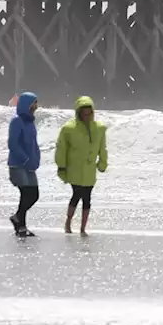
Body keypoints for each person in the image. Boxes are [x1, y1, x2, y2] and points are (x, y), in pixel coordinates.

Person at [56, 96, 108, 237]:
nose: (88, 116)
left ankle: (83, 228)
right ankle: (68, 222)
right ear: (79, 113)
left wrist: (102, 163)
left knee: (87, 198)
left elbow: (102, 148)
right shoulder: (69, 128)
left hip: (90, 170)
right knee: (76, 195)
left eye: (90, 113)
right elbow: (62, 148)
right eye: (85, 113)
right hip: (75, 170)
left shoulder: (99, 128)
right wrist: (61, 166)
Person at [7, 91, 41, 237]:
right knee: (27, 194)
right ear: (26, 104)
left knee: (34, 194)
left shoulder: (31, 122)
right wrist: (24, 158)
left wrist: (36, 158)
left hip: (29, 165)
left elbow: (33, 144)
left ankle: (19, 222)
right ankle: (20, 224)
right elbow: (13, 143)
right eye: (34, 103)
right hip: (18, 164)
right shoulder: (16, 121)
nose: (36, 106)